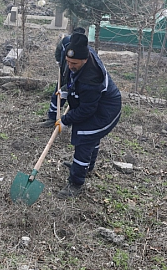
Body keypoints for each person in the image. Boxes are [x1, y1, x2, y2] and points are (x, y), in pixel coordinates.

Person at [53, 33, 121, 198]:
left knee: (84, 137)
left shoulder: (91, 79)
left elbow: (86, 110)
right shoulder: (82, 53)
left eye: (74, 63)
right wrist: (67, 91)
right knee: (90, 137)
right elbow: (74, 80)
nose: (70, 66)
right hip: (96, 104)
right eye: (68, 62)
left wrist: (65, 120)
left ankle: (76, 183)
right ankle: (86, 166)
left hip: (106, 110)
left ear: (84, 60)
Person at [39, 27, 85, 128]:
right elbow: (58, 50)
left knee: (73, 97)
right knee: (58, 94)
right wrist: (58, 61)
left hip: (76, 76)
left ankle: (69, 121)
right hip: (65, 73)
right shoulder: (65, 41)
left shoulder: (83, 49)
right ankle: (52, 118)